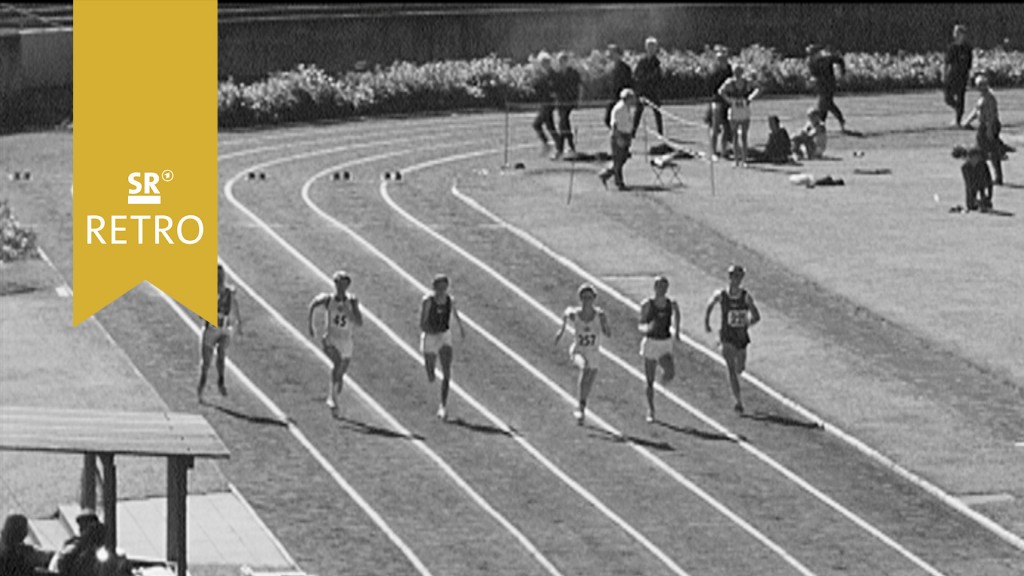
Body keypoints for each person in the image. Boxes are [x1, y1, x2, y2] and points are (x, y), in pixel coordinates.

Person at [704, 265, 761, 414]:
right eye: (734, 276)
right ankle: (738, 402)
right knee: (731, 369)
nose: (736, 280)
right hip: (727, 338)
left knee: (740, 368)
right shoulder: (721, 295)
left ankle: (737, 395)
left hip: (741, 338)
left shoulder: (745, 297)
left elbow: (756, 316)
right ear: (729, 277)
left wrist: (745, 325)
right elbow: (710, 304)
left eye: (739, 277)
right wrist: (707, 322)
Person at [308, 270, 364, 416]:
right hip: (331, 338)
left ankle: (335, 388)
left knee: (340, 373)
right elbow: (313, 304)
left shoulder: (352, 301)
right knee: (337, 364)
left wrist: (349, 311)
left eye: (343, 284)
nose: (340, 287)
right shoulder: (328, 299)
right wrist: (311, 325)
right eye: (338, 283)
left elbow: (359, 322)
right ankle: (332, 399)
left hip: (346, 340)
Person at [555, 283, 611, 425]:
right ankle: (580, 407)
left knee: (590, 380)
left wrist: (605, 325)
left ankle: (582, 406)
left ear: (594, 298)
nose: (587, 300)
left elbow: (608, 333)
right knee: (584, 367)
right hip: (578, 350)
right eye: (584, 297)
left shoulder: (599, 315)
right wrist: (561, 331)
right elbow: (566, 312)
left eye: (590, 297)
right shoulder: (576, 314)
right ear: (580, 298)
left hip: (593, 352)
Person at [420, 274, 466, 421]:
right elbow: (423, 322)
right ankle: (430, 372)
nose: (441, 290)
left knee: (447, 371)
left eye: (444, 287)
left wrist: (460, 328)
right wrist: (431, 331)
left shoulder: (450, 301)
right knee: (431, 373)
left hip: (444, 335)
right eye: (438, 287)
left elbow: (455, 314)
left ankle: (443, 406)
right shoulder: (428, 301)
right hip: (430, 336)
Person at [637, 276, 681, 423]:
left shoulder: (671, 304)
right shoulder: (647, 305)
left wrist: (678, 332)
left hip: (665, 342)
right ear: (655, 287)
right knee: (649, 380)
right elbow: (641, 324)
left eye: (664, 286)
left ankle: (662, 384)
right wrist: (646, 327)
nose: (661, 289)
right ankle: (651, 410)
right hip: (651, 343)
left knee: (670, 372)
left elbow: (677, 314)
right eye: (659, 286)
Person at [198, 263, 243, 402]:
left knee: (222, 355)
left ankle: (220, 381)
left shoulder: (229, 293)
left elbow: (235, 308)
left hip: (224, 329)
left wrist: (238, 325)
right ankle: (201, 388)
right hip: (211, 330)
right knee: (206, 363)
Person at [962, 74, 1008, 185]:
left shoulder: (989, 98)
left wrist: (989, 130)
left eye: (980, 85)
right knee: (983, 151)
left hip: (989, 126)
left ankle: (996, 177)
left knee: (990, 152)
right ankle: (986, 175)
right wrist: (966, 121)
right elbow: (976, 111)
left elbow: (991, 115)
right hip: (983, 126)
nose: (978, 87)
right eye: (977, 85)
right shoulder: (982, 97)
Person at [717, 64, 761, 167]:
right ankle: (736, 160)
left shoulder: (746, 82)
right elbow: (721, 91)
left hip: (744, 109)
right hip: (734, 109)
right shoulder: (729, 83)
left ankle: (744, 160)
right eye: (736, 72)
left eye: (739, 72)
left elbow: (758, 88)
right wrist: (729, 101)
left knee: (744, 135)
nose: (737, 74)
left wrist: (750, 98)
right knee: (735, 135)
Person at [598, 88, 637, 191]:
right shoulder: (619, 109)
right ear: (627, 98)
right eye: (632, 98)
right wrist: (618, 138)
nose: (634, 100)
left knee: (623, 159)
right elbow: (614, 126)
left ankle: (605, 174)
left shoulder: (627, 108)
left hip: (626, 135)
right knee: (618, 160)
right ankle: (619, 183)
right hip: (619, 135)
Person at [807, 44, 848, 132]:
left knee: (825, 104)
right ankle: (824, 123)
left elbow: (839, 60)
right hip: (823, 85)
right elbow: (814, 74)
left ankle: (820, 124)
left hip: (828, 84)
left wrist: (842, 71)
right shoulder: (813, 61)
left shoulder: (823, 59)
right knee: (827, 104)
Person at [51, 510, 105, 576]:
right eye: (81, 525)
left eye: (85, 523)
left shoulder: (100, 533)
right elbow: (64, 560)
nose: (82, 528)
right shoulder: (75, 542)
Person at [553, 51, 583, 159]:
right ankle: (568, 147)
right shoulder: (557, 75)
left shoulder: (573, 73)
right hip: (561, 102)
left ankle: (561, 149)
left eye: (563, 61)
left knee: (563, 123)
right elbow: (554, 89)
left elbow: (579, 87)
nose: (562, 63)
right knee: (564, 124)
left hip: (570, 101)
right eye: (560, 61)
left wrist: (578, 100)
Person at [705, 45, 734, 160]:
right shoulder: (714, 71)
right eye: (720, 59)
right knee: (715, 126)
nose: (722, 61)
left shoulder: (730, 70)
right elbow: (711, 88)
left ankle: (724, 150)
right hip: (717, 100)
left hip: (728, 100)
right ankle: (713, 151)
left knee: (728, 126)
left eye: (724, 58)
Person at [632, 36, 664, 137]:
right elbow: (636, 75)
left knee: (657, 112)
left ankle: (660, 133)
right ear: (646, 48)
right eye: (649, 47)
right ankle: (633, 132)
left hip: (653, 91)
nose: (651, 49)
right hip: (643, 90)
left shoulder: (657, 63)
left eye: (653, 47)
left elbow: (658, 77)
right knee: (638, 112)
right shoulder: (642, 61)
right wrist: (640, 83)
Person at [943, 24, 973, 128]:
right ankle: (958, 108)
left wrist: (969, 79)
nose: (955, 34)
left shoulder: (967, 49)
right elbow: (947, 63)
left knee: (961, 98)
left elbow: (969, 66)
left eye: (958, 32)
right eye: (955, 32)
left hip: (962, 77)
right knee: (947, 98)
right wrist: (945, 75)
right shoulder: (952, 48)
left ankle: (958, 121)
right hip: (952, 76)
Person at [531, 51, 559, 157]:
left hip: (549, 103)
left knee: (537, 124)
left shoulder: (552, 75)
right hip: (545, 103)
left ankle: (549, 145)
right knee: (549, 125)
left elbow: (554, 88)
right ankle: (555, 146)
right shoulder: (543, 74)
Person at [604, 43, 633, 128]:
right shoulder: (610, 67)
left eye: (612, 53)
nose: (610, 55)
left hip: (622, 97)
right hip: (612, 96)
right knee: (607, 119)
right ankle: (616, 134)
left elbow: (628, 83)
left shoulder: (625, 68)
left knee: (620, 118)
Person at [960, 146, 993, 212]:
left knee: (985, 202)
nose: (979, 158)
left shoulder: (983, 165)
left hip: (982, 185)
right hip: (973, 186)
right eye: (977, 156)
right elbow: (969, 184)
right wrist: (975, 200)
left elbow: (989, 182)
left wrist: (988, 197)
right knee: (971, 206)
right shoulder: (965, 168)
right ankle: (976, 203)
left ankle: (983, 203)